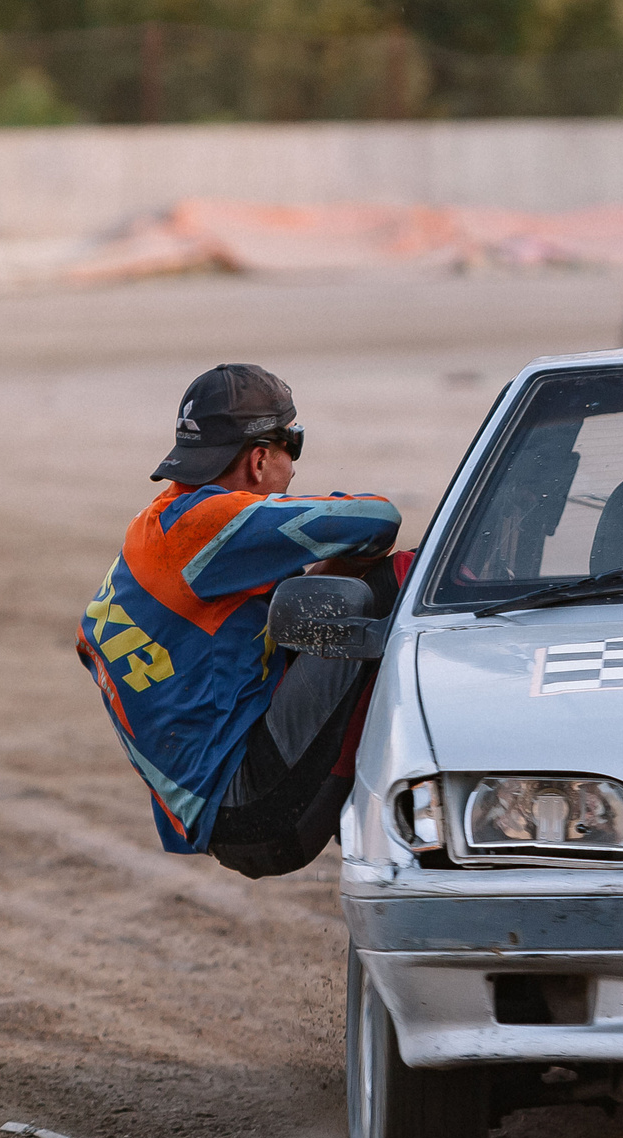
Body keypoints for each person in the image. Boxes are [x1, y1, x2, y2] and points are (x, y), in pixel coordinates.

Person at [78, 364, 401, 878]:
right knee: (397, 576)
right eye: (293, 446)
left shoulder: (154, 526)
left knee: (312, 597)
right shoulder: (210, 527)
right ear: (258, 459)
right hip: (253, 809)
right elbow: (379, 519)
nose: (293, 468)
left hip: (218, 813)